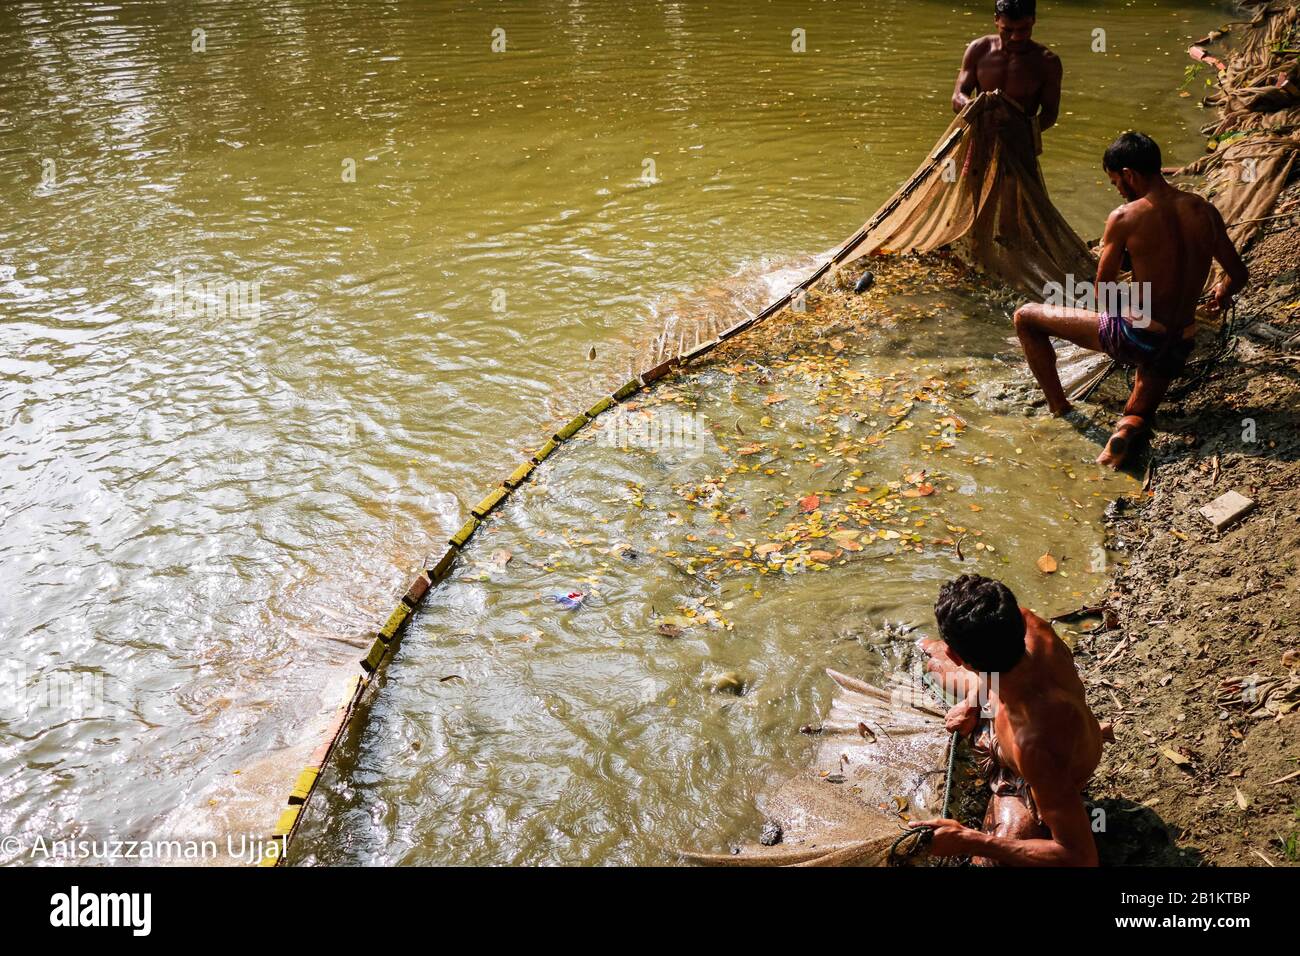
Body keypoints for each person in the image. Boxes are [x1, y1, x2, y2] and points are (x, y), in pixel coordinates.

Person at [1012, 131, 1250, 467]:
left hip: (1136, 334)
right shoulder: (1204, 210)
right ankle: (1123, 434)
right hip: (1179, 340)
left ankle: (1060, 409)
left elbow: (1103, 291)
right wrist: (1222, 290)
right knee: (1137, 411)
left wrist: (1128, 306)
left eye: (1115, 183)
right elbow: (1239, 275)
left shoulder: (1124, 218)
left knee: (1026, 317)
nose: (1119, 190)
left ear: (1129, 174)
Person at [912, 574, 1111, 866]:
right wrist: (971, 704)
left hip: (1035, 773)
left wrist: (969, 839)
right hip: (1007, 697)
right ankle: (926, 647)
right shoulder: (1031, 625)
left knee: (986, 864)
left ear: (959, 655)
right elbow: (995, 665)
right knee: (934, 662)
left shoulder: (1034, 745)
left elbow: (1081, 857)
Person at [952, 0, 1062, 147]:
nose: (1015, 37)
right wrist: (977, 109)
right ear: (996, 20)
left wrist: (1019, 131)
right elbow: (957, 97)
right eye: (1008, 30)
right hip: (980, 138)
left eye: (1023, 29)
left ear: (1033, 20)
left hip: (1019, 144)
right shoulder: (979, 49)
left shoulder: (1047, 62)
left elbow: (1050, 114)